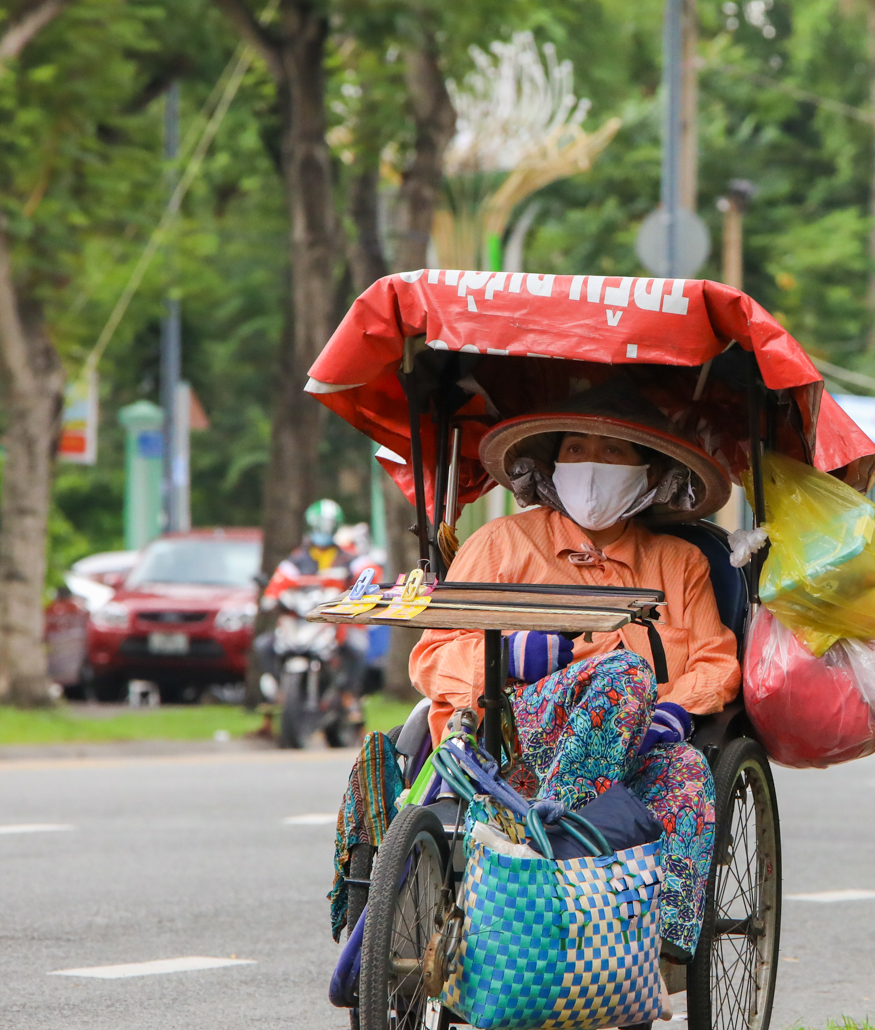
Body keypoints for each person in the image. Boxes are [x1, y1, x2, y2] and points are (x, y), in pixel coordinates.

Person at [410, 380, 740, 964]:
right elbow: (433, 657)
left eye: (613, 453)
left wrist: (676, 711)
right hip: (507, 741)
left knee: (688, 767)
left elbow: (716, 661)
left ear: (650, 472)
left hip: (639, 745)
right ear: (551, 465)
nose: (592, 466)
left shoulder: (680, 563)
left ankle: (656, 945)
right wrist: (505, 659)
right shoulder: (500, 544)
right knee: (624, 675)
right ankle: (551, 856)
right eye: (576, 450)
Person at [259, 500, 380, 702]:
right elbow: (277, 582)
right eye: (319, 526)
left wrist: (359, 590)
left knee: (357, 647)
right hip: (301, 619)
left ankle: (348, 697)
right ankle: (279, 691)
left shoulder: (347, 557)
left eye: (328, 526)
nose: (323, 531)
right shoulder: (297, 559)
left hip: (336, 622)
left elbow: (371, 572)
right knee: (263, 646)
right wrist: (271, 598)